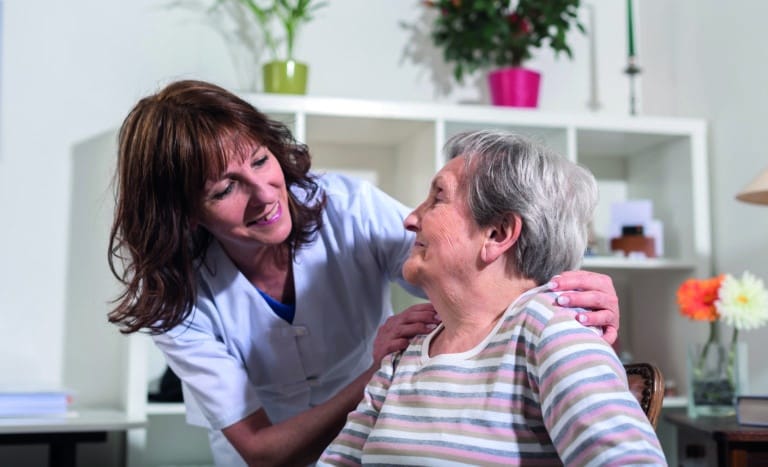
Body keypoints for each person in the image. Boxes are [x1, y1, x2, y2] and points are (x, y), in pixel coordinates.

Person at [108, 80, 623, 466]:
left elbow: (473, 268)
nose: (267, 193)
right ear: (184, 214)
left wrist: (570, 292)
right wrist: (379, 372)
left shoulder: (347, 209)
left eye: (262, 161)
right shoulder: (176, 300)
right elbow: (262, 451)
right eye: (224, 190)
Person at [319, 130, 665, 466]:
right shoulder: (407, 351)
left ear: (497, 233)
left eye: (438, 197)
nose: (410, 220)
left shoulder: (550, 334)